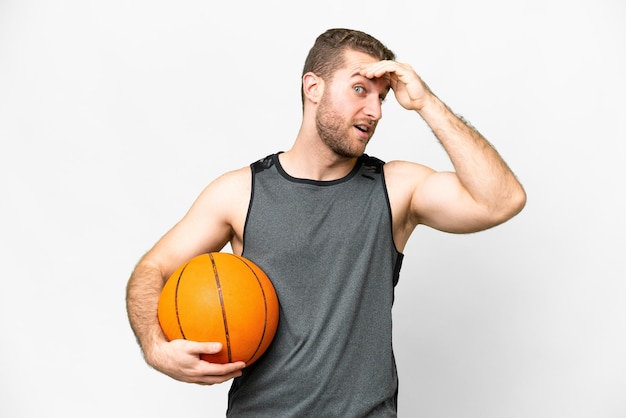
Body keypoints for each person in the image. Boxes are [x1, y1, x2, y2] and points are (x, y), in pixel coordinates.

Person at [126, 28, 526, 417]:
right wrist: (155, 347)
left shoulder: (396, 188)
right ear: (313, 88)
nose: (376, 111)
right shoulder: (240, 192)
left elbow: (501, 200)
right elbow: (154, 269)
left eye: (382, 97)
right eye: (359, 89)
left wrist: (426, 102)